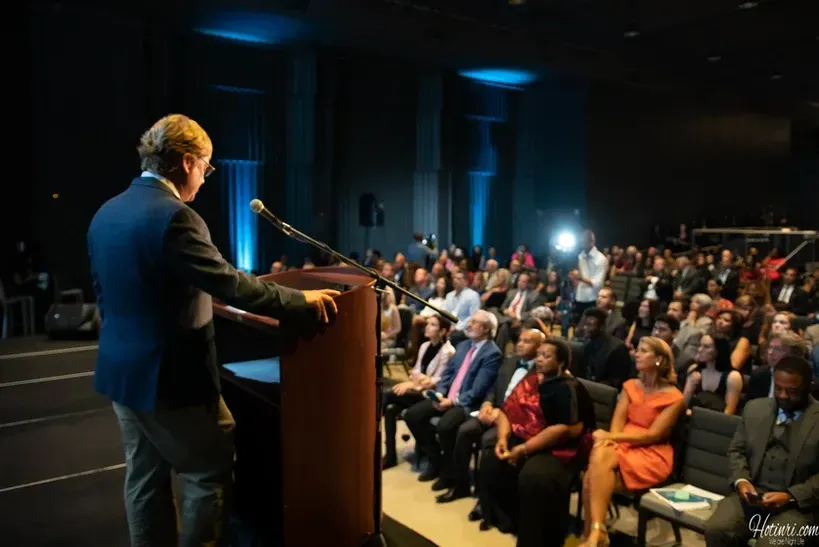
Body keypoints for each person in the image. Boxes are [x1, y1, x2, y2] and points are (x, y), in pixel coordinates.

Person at [87, 114, 339, 547]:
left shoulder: (107, 212)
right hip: (172, 381)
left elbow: (111, 296)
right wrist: (300, 302)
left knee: (145, 477)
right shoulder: (175, 217)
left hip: (121, 375)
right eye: (206, 166)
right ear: (186, 162)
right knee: (209, 471)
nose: (205, 178)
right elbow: (229, 283)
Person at [478, 337, 595, 546]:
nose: (539, 360)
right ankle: (505, 520)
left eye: (546, 356)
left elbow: (561, 429)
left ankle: (534, 539)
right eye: (539, 355)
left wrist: (523, 449)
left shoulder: (567, 387)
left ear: (561, 362)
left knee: (534, 477)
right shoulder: (532, 378)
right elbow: (507, 410)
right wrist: (503, 439)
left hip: (558, 448)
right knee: (492, 458)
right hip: (525, 435)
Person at [579, 337, 685, 547]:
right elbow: (617, 424)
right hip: (623, 444)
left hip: (651, 453)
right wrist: (613, 440)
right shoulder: (630, 386)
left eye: (643, 351)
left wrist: (612, 438)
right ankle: (597, 531)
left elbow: (653, 435)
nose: (636, 354)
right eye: (637, 350)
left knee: (593, 473)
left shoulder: (675, 398)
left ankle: (591, 533)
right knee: (600, 457)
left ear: (659, 360)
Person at [705, 356, 819, 547]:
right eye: (778, 388)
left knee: (771, 544)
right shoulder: (755, 408)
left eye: (792, 392)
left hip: (798, 506)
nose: (782, 395)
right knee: (717, 529)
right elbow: (736, 451)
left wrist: (791, 496)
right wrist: (742, 481)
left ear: (809, 386)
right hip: (753, 495)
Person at [382, 315, 455, 469]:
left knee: (388, 394)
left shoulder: (448, 352)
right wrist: (416, 381)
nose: (427, 327)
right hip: (418, 391)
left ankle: (371, 423)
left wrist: (413, 384)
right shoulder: (424, 346)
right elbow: (415, 372)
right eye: (427, 324)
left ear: (442, 331)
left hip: (430, 395)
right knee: (390, 409)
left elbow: (437, 381)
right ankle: (390, 456)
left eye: (433, 325)